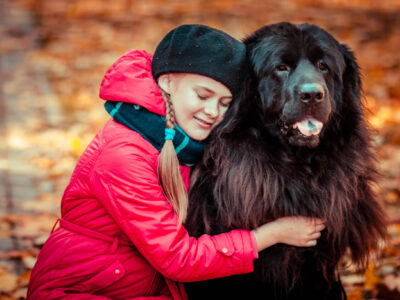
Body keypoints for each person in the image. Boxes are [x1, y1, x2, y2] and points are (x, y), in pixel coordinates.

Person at [27, 24, 325, 300]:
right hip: (81, 290)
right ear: (167, 82)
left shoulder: (180, 140)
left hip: (132, 285)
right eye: (203, 95)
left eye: (224, 103)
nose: (212, 112)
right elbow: (176, 258)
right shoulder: (124, 155)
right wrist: (271, 234)